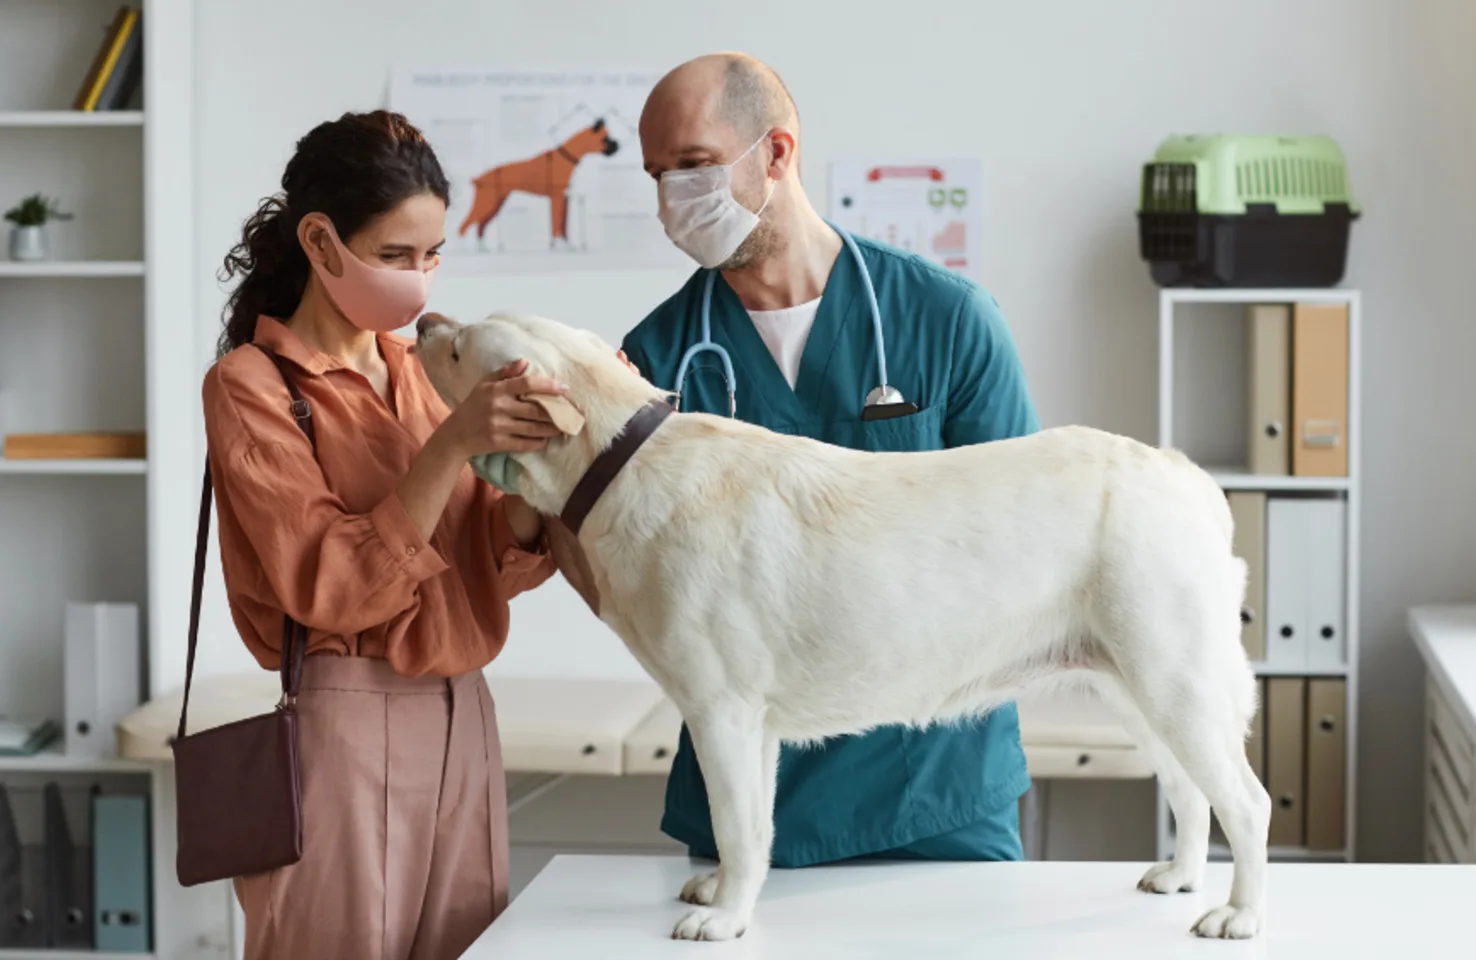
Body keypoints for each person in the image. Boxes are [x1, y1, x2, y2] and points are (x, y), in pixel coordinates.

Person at [622, 53, 1042, 869]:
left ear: (777, 152)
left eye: (696, 166)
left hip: (933, 783)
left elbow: (1023, 537)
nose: (674, 197)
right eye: (658, 175)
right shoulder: (656, 361)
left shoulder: (947, 321)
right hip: (749, 799)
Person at [203, 110, 568, 959]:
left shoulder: (418, 371)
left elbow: (490, 565)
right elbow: (329, 583)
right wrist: (452, 443)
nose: (421, 280)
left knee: (466, 947)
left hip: (466, 712)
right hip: (347, 722)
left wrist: (536, 463)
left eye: (434, 254)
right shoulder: (251, 386)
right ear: (323, 244)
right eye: (396, 255)